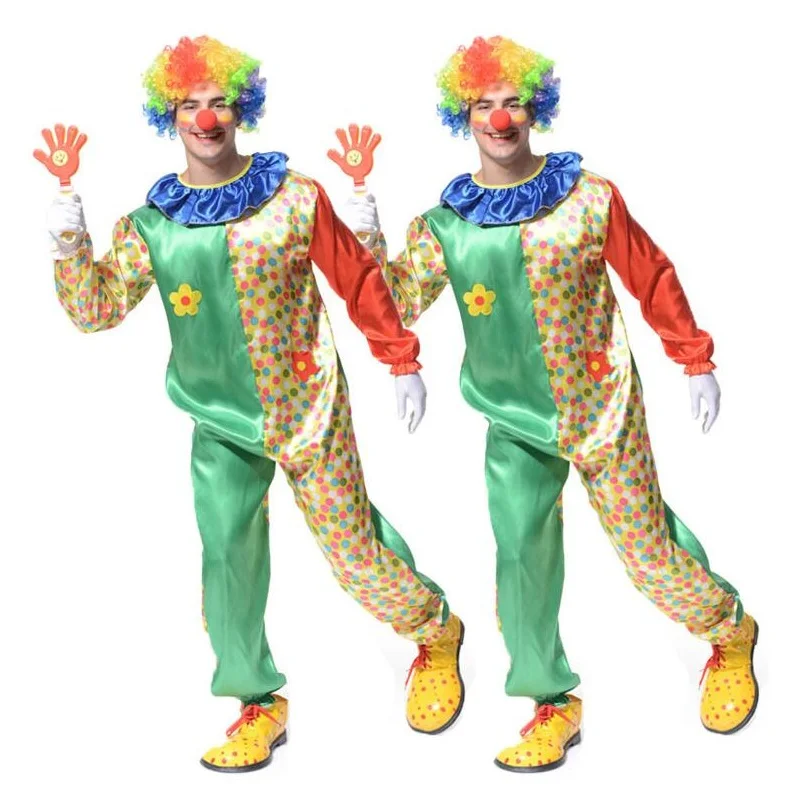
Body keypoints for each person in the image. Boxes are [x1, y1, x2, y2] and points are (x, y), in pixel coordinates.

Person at [42, 35, 464, 773]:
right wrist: (69, 232)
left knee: (353, 551)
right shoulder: (153, 224)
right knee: (227, 567)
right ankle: (257, 704)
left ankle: (435, 631)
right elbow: (96, 310)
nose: (205, 119)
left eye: (218, 103)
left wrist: (400, 358)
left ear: (243, 110)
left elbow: (358, 280)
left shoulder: (294, 197)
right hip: (218, 420)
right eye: (188, 105)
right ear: (169, 116)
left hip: (308, 409)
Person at [342, 35, 758, 773]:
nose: (499, 119)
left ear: (535, 110)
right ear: (463, 117)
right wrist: (363, 221)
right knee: (520, 567)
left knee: (647, 552)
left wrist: (693, 356)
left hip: (602, 407)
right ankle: (550, 703)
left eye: (512, 103)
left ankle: (728, 632)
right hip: (512, 421)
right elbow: (395, 301)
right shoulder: (447, 225)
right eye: (483, 106)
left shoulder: (588, 197)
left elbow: (649, 273)